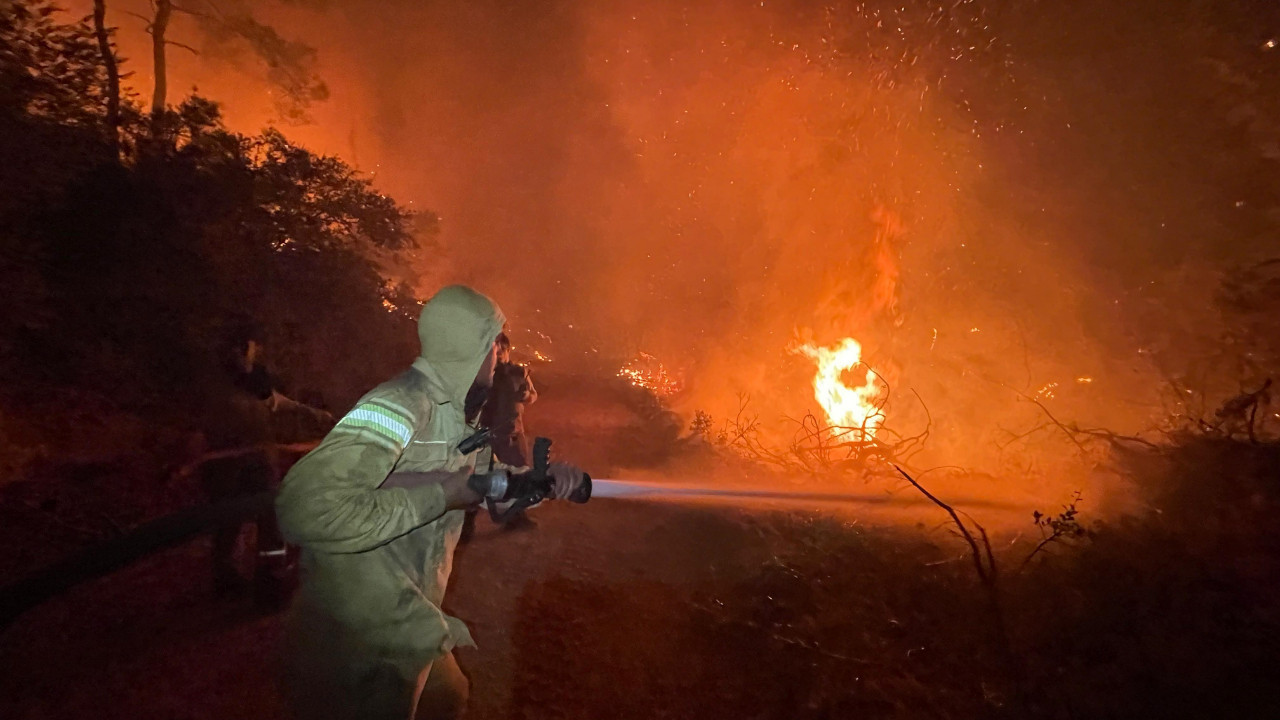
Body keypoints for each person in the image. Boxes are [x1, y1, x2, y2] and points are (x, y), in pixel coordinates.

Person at [275, 285, 584, 720]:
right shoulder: (399, 405)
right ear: (470, 346)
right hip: (363, 621)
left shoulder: (461, 415)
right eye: (495, 342)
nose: (502, 355)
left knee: (447, 699)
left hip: (411, 609)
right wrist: (440, 496)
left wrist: (540, 483)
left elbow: (485, 489)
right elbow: (307, 508)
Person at [199, 323, 326, 608]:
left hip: (255, 461)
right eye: (253, 346)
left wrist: (314, 414)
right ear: (241, 346)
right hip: (230, 462)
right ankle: (234, 576)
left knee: (267, 516)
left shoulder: (253, 378)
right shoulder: (217, 379)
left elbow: (274, 402)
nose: (257, 352)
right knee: (233, 518)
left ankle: (267, 579)